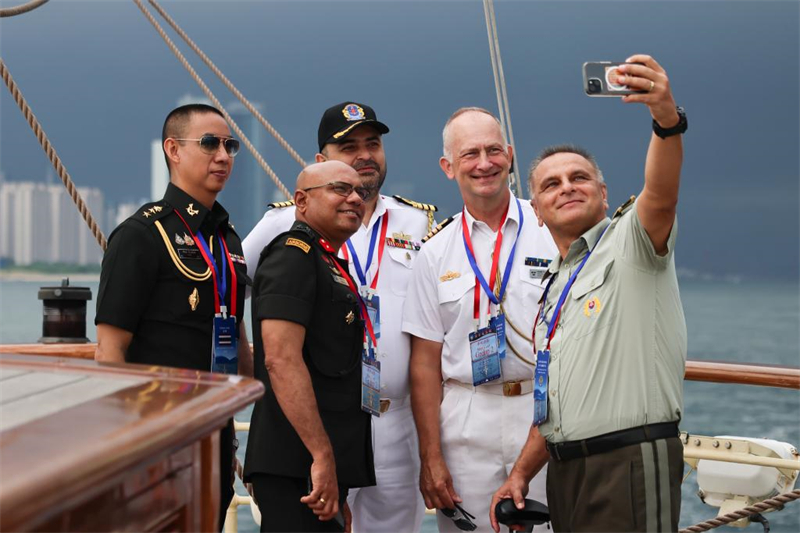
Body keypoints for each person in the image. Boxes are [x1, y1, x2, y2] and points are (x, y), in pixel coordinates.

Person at [489, 54, 687, 533]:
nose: (566, 187)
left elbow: (661, 194)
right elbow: (555, 401)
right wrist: (521, 474)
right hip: (566, 468)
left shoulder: (632, 241)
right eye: (551, 184)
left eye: (579, 178)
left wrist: (666, 121)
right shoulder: (554, 287)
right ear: (537, 211)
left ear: (603, 192)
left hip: (629, 460)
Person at [243, 101, 433, 532]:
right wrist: (248, 366)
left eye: (373, 144)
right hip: (315, 423)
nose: (364, 155)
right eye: (349, 147)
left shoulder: (418, 223)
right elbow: (229, 289)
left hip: (394, 421)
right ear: (320, 160)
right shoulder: (283, 224)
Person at [94, 103, 252, 530]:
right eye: (209, 143)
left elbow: (236, 337)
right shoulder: (142, 235)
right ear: (173, 150)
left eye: (230, 146)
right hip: (159, 439)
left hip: (216, 436)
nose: (223, 156)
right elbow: (109, 351)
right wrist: (130, 447)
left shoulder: (229, 240)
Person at [402, 107, 557, 532]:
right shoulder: (434, 252)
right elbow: (424, 363)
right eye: (470, 154)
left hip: (543, 412)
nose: (484, 163)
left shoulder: (550, 227)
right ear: (448, 167)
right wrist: (431, 457)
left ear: (510, 155)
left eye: (493, 150)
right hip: (465, 420)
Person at [243, 160, 376, 533]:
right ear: (301, 201)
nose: (355, 198)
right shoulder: (292, 256)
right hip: (296, 464)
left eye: (360, 192)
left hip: (317, 467)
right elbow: (281, 360)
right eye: (340, 189)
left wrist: (335, 472)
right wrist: (321, 457)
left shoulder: (326, 260)